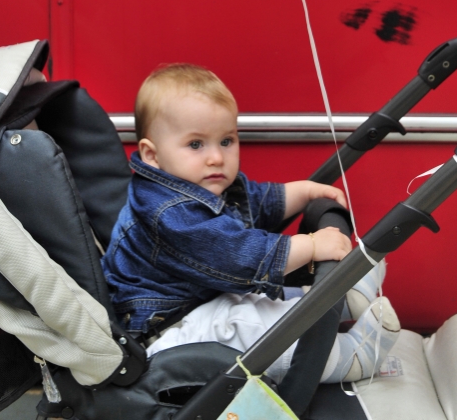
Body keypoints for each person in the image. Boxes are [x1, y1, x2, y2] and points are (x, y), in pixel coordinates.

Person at [102, 64, 400, 383]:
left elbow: (258, 200)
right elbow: (236, 256)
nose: (216, 157)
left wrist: (305, 192)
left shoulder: (201, 183)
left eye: (226, 141)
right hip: (167, 333)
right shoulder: (168, 214)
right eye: (196, 144)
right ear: (152, 155)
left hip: (202, 302)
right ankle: (352, 358)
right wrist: (311, 245)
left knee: (254, 304)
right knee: (250, 324)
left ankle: (343, 302)